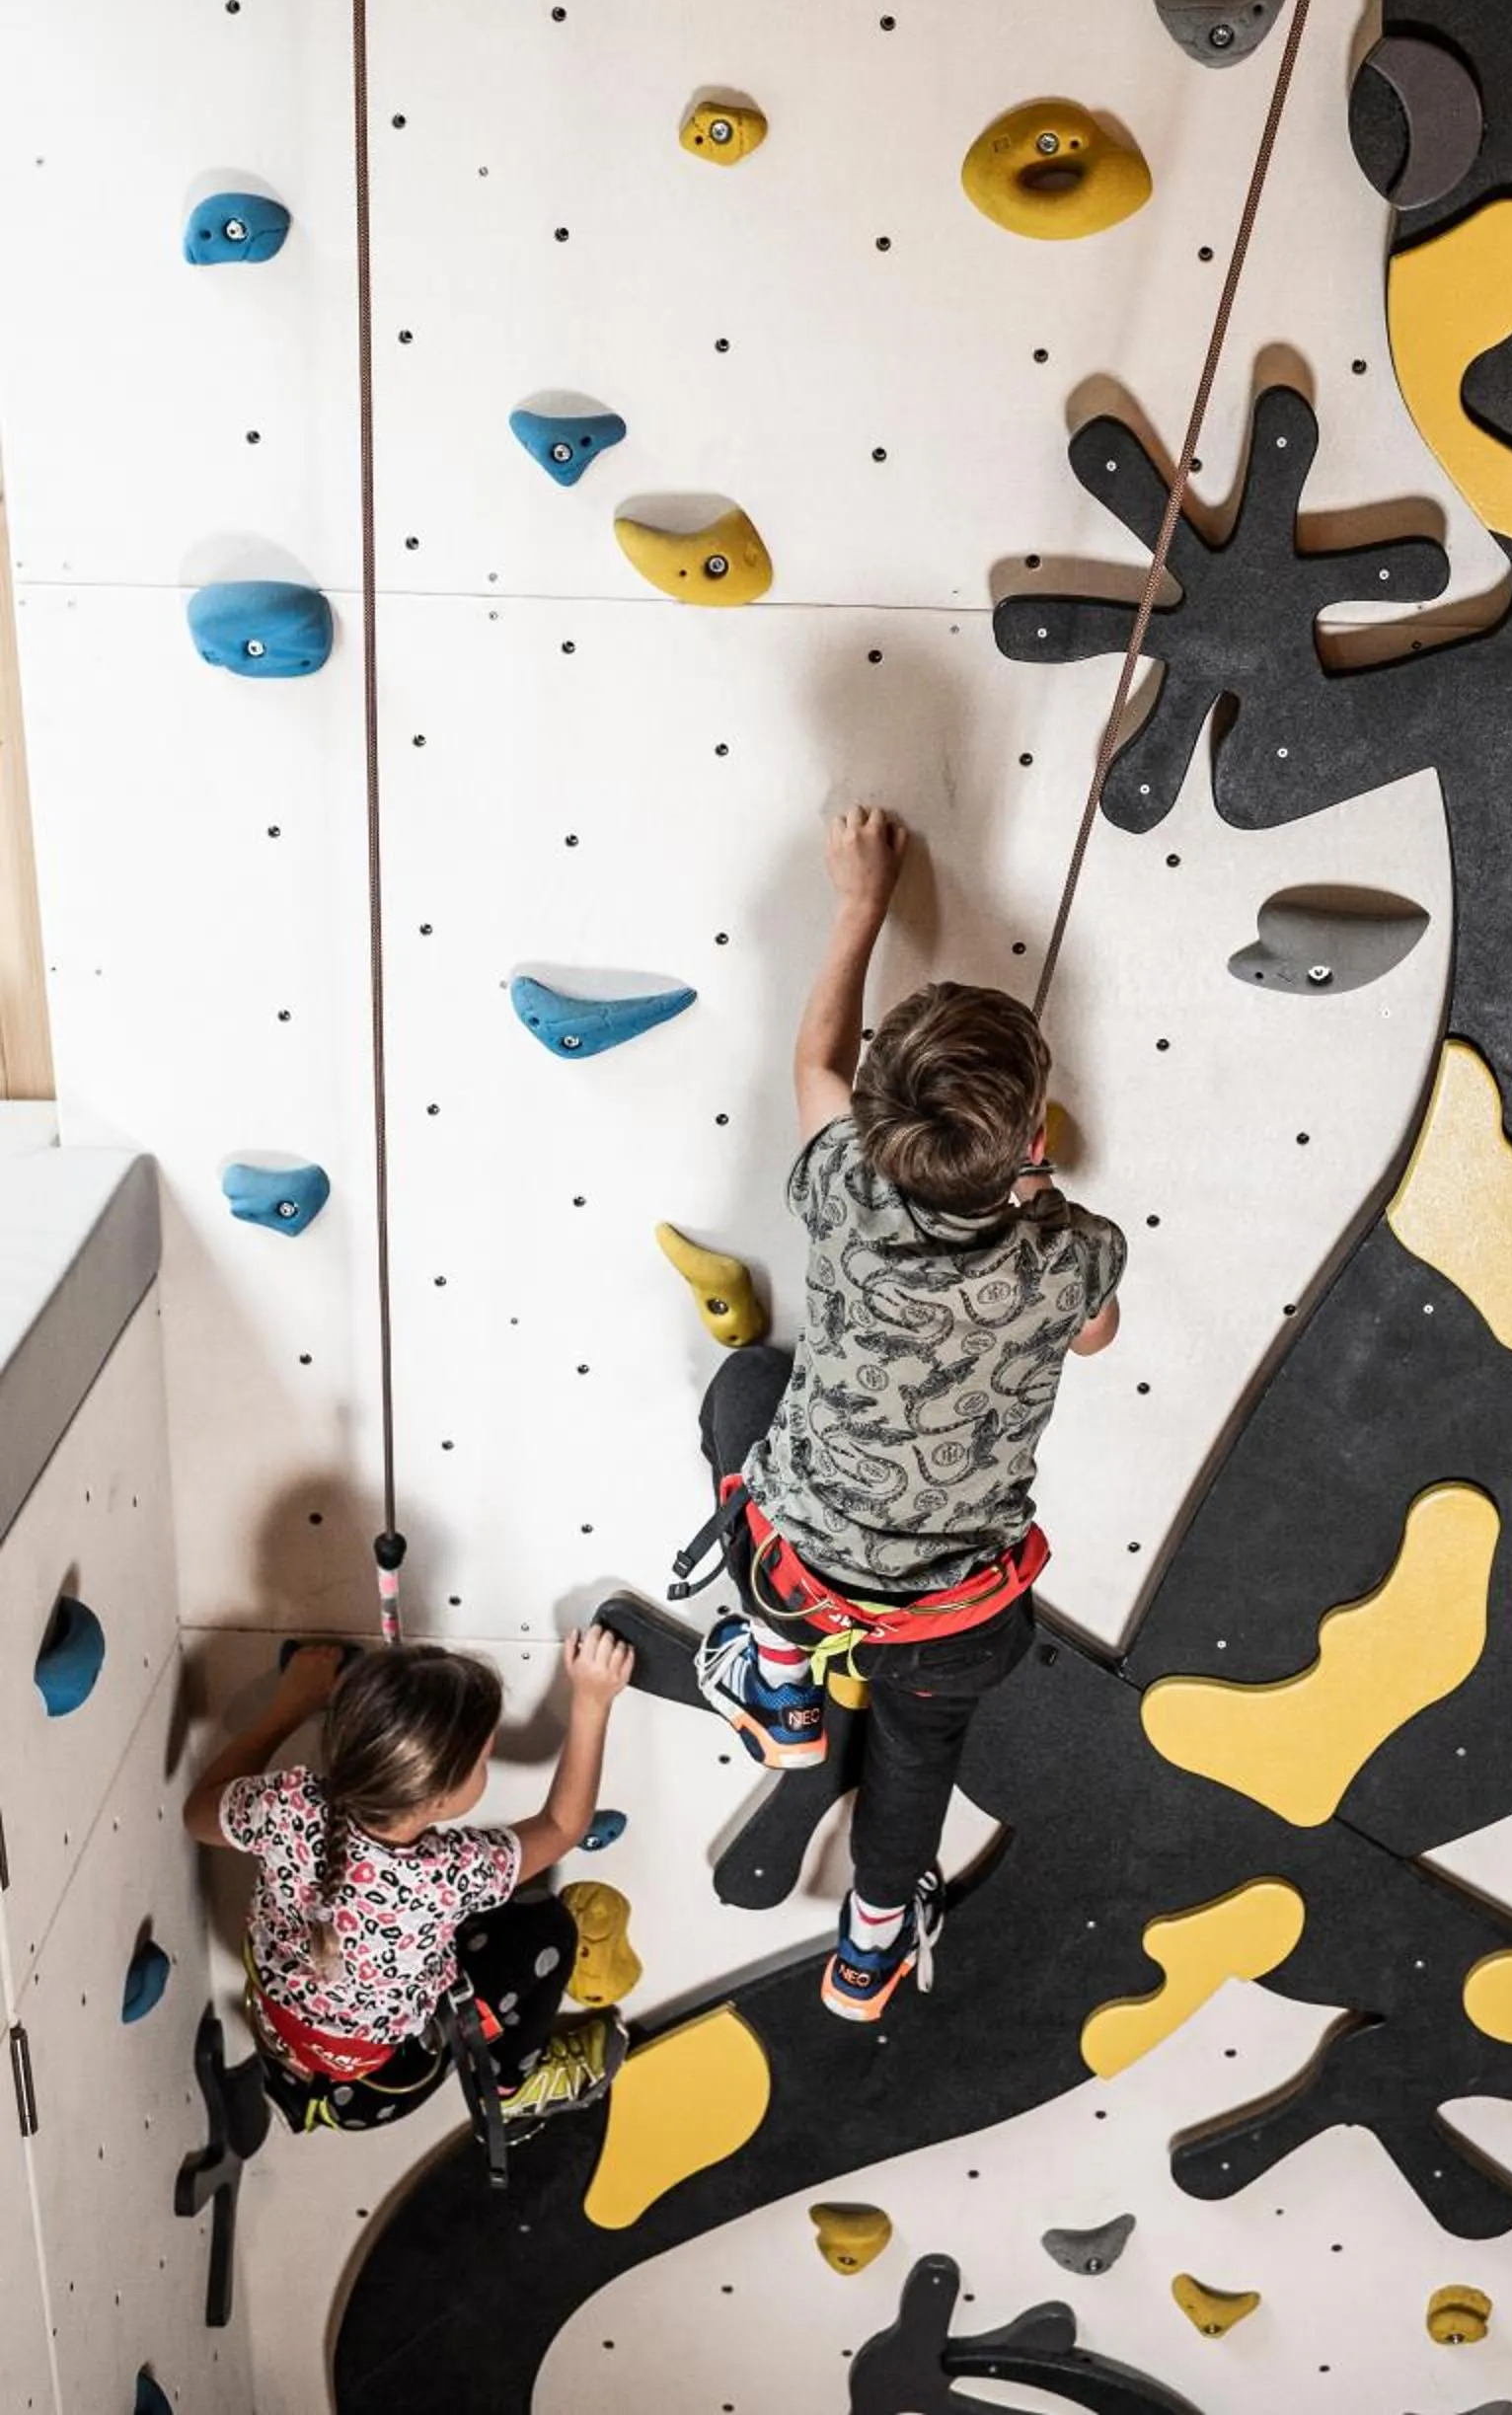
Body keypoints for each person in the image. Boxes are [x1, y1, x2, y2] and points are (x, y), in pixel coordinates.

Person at [694, 803, 1125, 2023]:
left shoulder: (845, 1188)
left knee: (741, 1393)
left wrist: (858, 908)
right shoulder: (1071, 1251)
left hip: (801, 1570)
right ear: (1031, 1139)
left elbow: (814, 1068)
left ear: (878, 1137)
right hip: (952, 1618)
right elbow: (1092, 1337)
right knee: (915, 1766)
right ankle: (869, 1944)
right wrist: (1036, 1195)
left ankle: (779, 1673)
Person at [184, 1623, 635, 2137]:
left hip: (283, 2042)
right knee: (545, 1926)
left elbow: (199, 1812)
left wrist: (288, 1705)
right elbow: (561, 1826)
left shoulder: (287, 1802)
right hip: (385, 2081)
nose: (489, 1761)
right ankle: (512, 2092)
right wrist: (593, 1702)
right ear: (439, 1798)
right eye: (484, 1760)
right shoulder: (450, 1875)